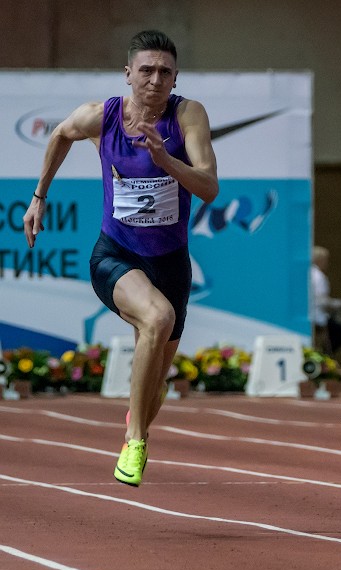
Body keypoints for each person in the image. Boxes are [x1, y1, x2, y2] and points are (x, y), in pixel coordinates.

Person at [22, 29, 218, 487]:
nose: (154, 80)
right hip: (115, 254)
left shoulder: (187, 115)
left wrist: (166, 159)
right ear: (128, 73)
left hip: (171, 262)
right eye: (145, 70)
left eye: (164, 72)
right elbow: (59, 134)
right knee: (158, 318)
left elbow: (209, 187)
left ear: (175, 78)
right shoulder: (101, 116)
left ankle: (141, 413)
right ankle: (134, 440)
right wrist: (39, 196)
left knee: (156, 387)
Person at [310, 246, 341, 354]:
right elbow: (321, 300)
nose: (327, 263)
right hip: (317, 316)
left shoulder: (308, 273)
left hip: (311, 314)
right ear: (319, 260)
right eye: (325, 260)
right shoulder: (318, 276)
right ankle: (324, 356)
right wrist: (338, 304)